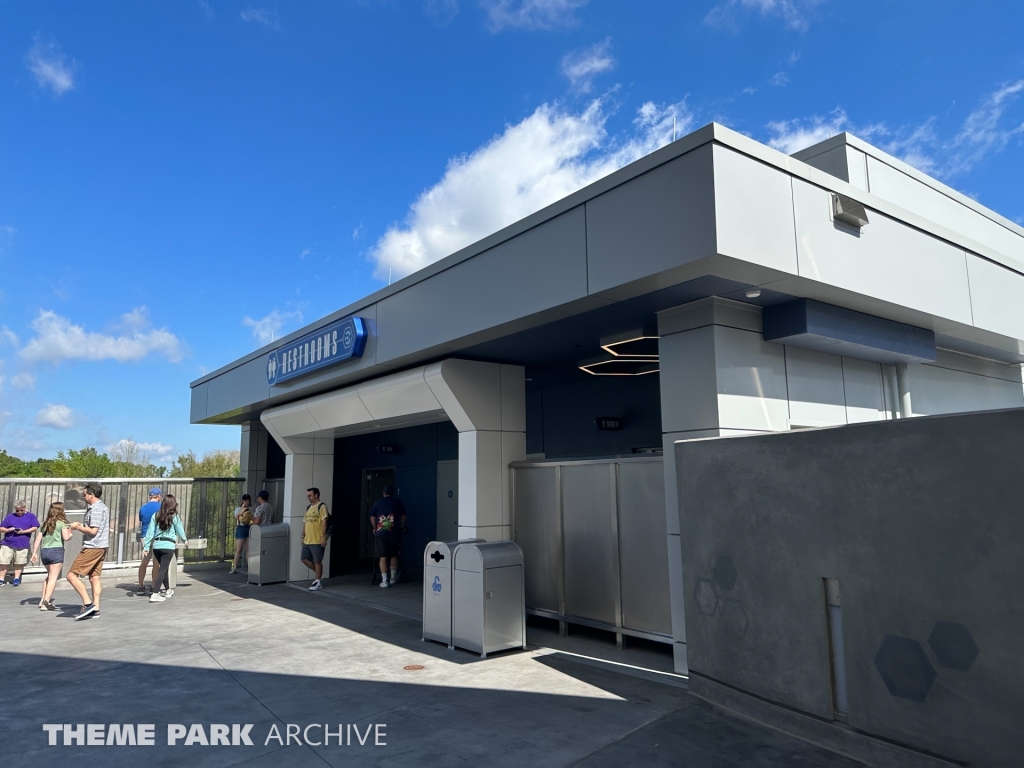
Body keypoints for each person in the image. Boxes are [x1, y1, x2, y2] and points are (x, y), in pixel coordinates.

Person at [66, 483, 110, 620]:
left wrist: (77, 526)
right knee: (94, 577)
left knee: (71, 576)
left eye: (84, 494)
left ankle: (88, 604)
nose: (83, 497)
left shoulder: (96, 509)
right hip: (101, 546)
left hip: (93, 546)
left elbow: (93, 531)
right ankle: (96, 608)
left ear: (92, 494)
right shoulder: (101, 507)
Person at [142, 494, 187, 603]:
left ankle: (168, 590)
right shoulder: (174, 516)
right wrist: (185, 540)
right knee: (162, 569)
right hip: (168, 546)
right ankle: (155, 593)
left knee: (163, 568)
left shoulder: (156, 515)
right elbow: (180, 529)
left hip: (157, 546)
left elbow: (150, 532)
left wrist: (147, 546)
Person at [30, 501, 73, 611]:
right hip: (56, 551)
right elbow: (66, 537)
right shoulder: (62, 523)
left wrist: (34, 553)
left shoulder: (45, 523)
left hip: (45, 551)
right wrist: (70, 533)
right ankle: (46, 602)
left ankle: (42, 599)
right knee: (53, 578)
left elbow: (38, 539)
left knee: (49, 576)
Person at [369, 485, 406, 589]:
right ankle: (393, 578)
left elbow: (372, 517)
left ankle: (385, 581)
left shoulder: (377, 503)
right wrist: (402, 526)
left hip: (381, 534)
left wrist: (375, 528)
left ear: (383, 493)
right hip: (394, 533)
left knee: (383, 556)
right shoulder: (398, 503)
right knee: (394, 555)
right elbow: (403, 517)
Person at [0, 500, 41, 587]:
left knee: (19, 562)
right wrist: (8, 530)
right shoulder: (10, 516)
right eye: (17, 510)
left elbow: (34, 528)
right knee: (4, 561)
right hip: (7, 543)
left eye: (21, 510)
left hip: (23, 544)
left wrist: (23, 532)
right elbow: (1, 528)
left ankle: (16, 578)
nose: (19, 512)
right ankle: (1, 579)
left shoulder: (31, 516)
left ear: (25, 508)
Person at [301, 488, 328, 591]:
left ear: (316, 495)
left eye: (310, 495)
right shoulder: (308, 507)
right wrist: (302, 536)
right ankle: (319, 573)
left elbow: (324, 522)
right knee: (304, 558)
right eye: (307, 495)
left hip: (316, 539)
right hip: (308, 539)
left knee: (317, 560)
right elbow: (305, 522)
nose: (308, 497)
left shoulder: (322, 507)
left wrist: (322, 536)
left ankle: (318, 580)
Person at [136, 487, 162, 595]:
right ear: (159, 496)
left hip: (145, 537)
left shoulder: (143, 508)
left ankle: (141, 585)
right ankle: (153, 586)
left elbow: (142, 522)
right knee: (156, 563)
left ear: (150, 496)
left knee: (145, 561)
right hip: (157, 537)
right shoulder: (161, 507)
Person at [230, 494, 253, 574]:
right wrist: (243, 508)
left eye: (248, 501)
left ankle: (250, 568)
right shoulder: (238, 509)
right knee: (239, 549)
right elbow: (237, 516)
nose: (247, 502)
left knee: (248, 550)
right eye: (246, 501)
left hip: (249, 527)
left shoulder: (251, 509)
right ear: (243, 501)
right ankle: (234, 567)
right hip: (241, 528)